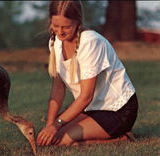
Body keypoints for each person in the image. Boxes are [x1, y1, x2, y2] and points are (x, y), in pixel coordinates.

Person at [37, 0, 138, 146]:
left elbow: (86, 97)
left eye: (66, 27)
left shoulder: (90, 42)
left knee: (62, 141)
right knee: (52, 139)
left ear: (78, 22)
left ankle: (120, 139)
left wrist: (56, 125)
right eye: (56, 26)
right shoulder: (55, 42)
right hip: (91, 109)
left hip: (118, 110)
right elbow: (58, 89)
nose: (60, 32)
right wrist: (49, 125)